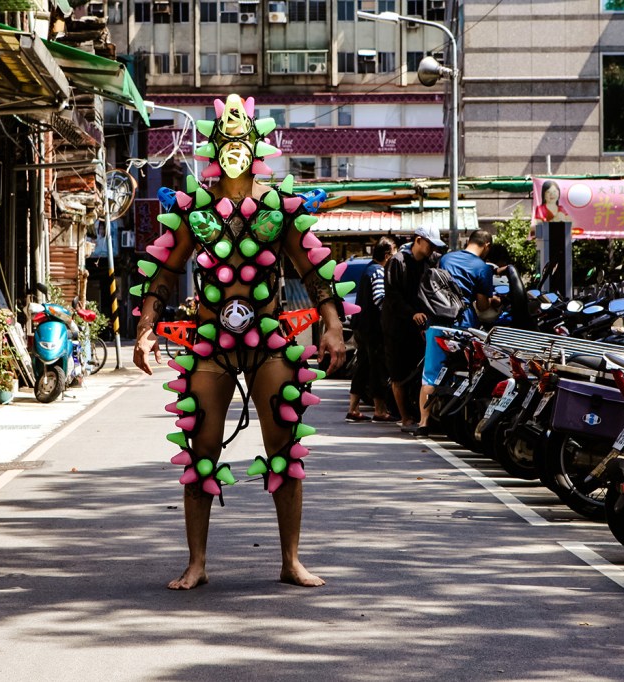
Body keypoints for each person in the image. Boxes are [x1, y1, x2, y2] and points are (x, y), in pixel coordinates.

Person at [132, 94, 348, 590]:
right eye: (224, 142)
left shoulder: (278, 210)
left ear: (256, 149)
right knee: (200, 450)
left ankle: (291, 560)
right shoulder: (196, 211)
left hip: (268, 341)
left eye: (241, 142)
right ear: (212, 148)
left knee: (284, 450)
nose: (232, 150)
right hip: (211, 345)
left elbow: (315, 272)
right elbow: (164, 273)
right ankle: (197, 562)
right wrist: (146, 328)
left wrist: (332, 324)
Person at [408, 229, 501, 438]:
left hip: (437, 322)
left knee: (430, 374)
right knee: (465, 372)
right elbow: (483, 304)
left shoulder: (446, 259)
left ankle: (423, 423)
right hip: (463, 325)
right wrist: (494, 301)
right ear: (486, 245)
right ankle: (459, 419)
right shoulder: (482, 268)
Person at [381, 226, 446, 432]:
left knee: (420, 372)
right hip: (397, 326)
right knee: (399, 374)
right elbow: (392, 296)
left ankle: (421, 416)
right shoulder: (397, 262)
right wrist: (412, 314)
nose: (432, 249)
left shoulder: (430, 262)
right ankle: (405, 417)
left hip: (421, 326)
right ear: (418, 240)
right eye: (430, 244)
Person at [346, 236, 397, 423]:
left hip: (362, 327)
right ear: (387, 254)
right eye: (394, 252)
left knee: (363, 365)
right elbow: (380, 299)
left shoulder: (369, 269)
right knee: (377, 368)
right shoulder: (378, 272)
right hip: (373, 329)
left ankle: (353, 409)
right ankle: (380, 410)